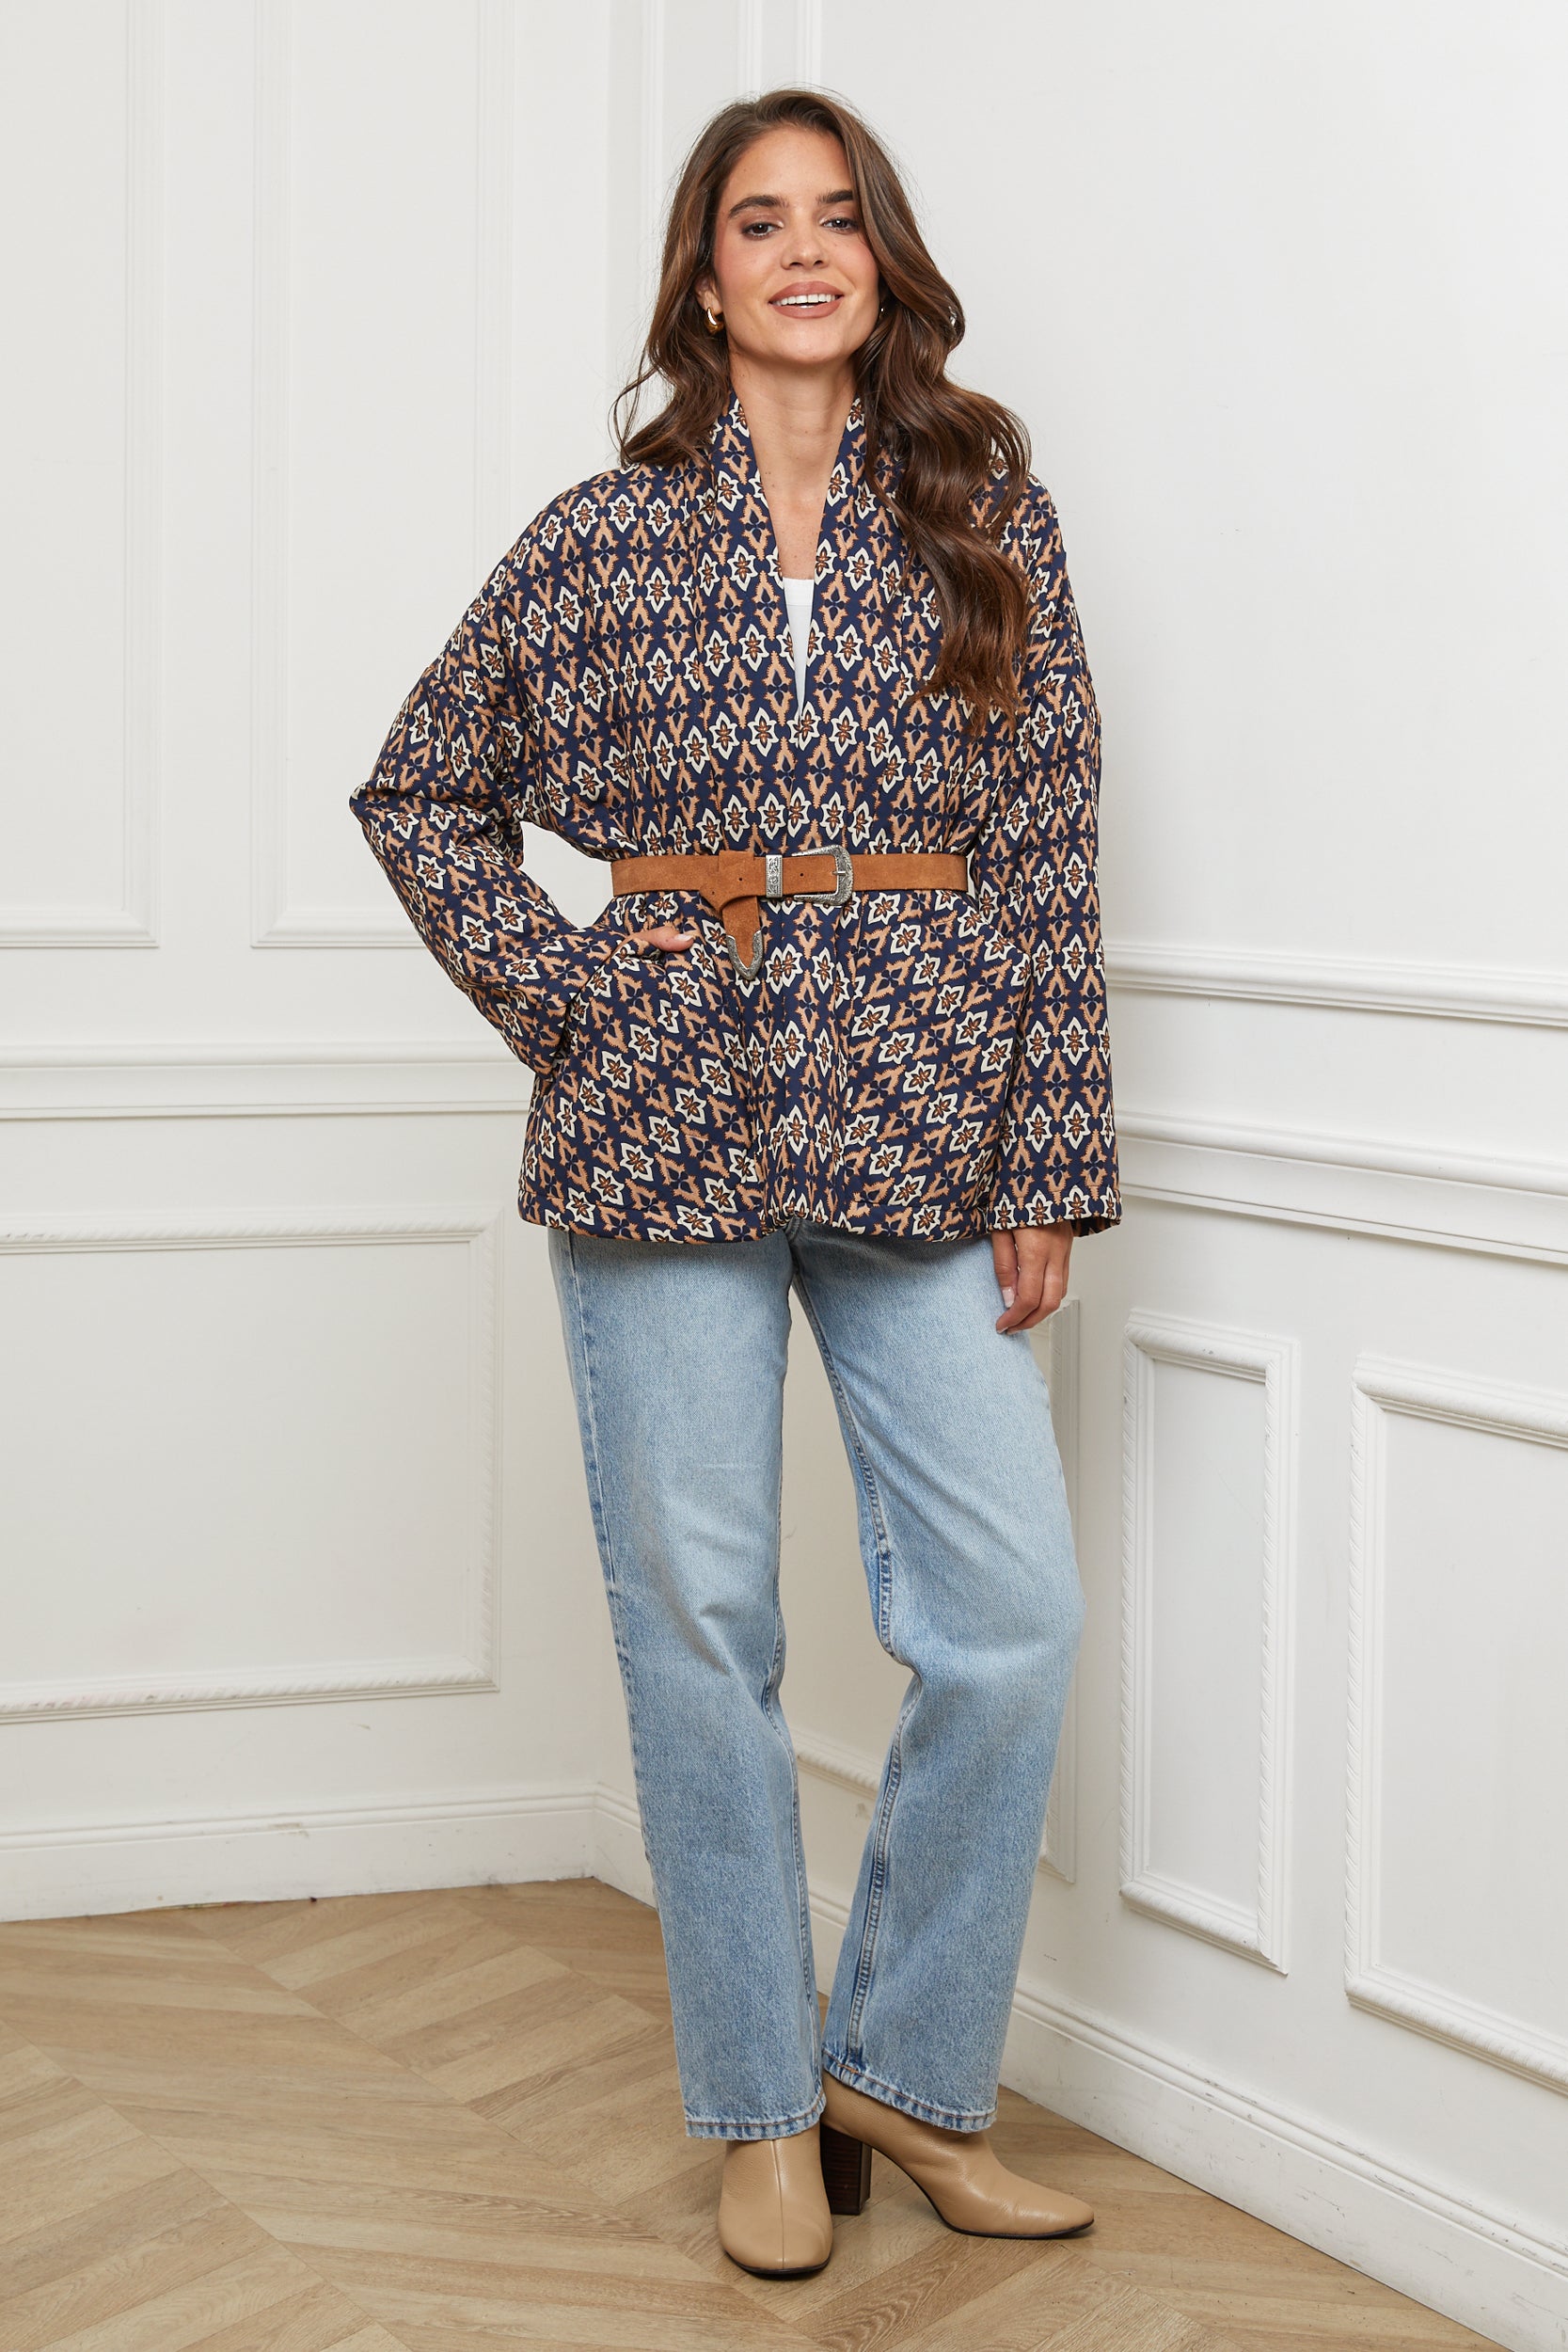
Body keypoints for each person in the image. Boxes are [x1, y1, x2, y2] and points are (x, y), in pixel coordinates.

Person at [351, 86, 1118, 2280]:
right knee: (704, 1624)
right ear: (704, 275)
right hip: (662, 1113)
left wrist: (1051, 1149)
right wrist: (575, 992)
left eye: (839, 216)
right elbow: (420, 788)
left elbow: (1051, 837)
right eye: (759, 220)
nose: (803, 250)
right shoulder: (602, 536)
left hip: (927, 1104)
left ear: (883, 258)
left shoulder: (984, 506)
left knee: (1012, 1617)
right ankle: (763, 2105)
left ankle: (907, 2067)